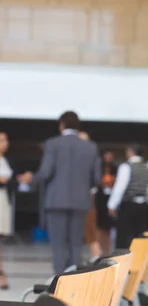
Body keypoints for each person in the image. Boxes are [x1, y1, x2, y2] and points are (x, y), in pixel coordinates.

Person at [18, 111, 101, 274]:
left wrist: (31, 178)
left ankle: (59, 283)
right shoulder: (90, 147)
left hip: (56, 201)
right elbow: (96, 179)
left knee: (58, 245)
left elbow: (46, 172)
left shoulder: (52, 144)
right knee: (76, 245)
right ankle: (75, 283)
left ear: (61, 125)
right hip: (80, 202)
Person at [108, 143, 148, 249]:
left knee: (123, 237)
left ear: (131, 151)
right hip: (143, 205)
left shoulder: (126, 166)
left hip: (128, 204)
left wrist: (112, 205)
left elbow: (120, 187)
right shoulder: (147, 167)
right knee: (139, 238)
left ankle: (123, 262)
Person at [78, 131, 102, 263]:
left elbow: (96, 179)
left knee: (89, 226)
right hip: (74, 196)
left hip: (87, 195)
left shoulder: (93, 158)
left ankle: (96, 255)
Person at [0, 132, 16, 289]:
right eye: (1, 140)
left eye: (5, 140)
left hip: (4, 200)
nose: (4, 143)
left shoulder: (7, 160)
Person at [95, 150, 117, 255]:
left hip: (110, 199)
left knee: (108, 227)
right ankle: (99, 250)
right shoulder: (99, 168)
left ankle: (107, 251)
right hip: (100, 199)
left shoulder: (115, 168)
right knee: (99, 226)